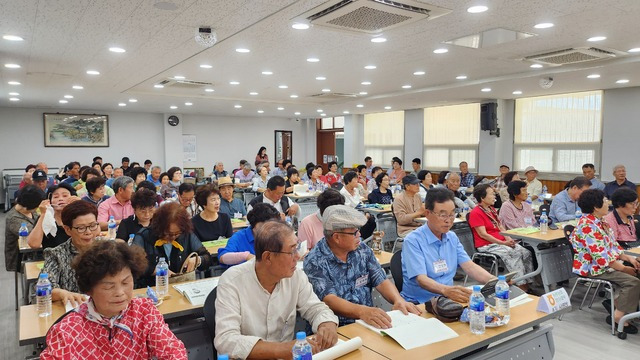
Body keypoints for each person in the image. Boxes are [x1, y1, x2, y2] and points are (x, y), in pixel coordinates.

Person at [41, 241, 187, 359]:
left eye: (125, 283)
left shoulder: (144, 311)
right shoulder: (68, 330)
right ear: (89, 289)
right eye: (108, 287)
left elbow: (173, 351)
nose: (120, 293)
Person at [215, 221, 338, 358]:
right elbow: (226, 339)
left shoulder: (295, 276)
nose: (297, 256)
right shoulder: (232, 281)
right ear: (268, 257)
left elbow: (315, 308)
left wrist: (326, 323)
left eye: (297, 248)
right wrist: (281, 349)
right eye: (291, 251)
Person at [304, 205, 421, 328]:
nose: (359, 234)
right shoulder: (315, 260)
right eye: (354, 233)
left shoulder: (362, 250)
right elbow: (329, 299)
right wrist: (362, 312)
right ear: (337, 237)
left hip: (367, 322)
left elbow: (380, 280)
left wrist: (398, 300)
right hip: (335, 327)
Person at [401, 188, 495, 303]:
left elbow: (469, 267)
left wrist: (493, 280)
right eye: (442, 215)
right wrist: (446, 290)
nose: (448, 220)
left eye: (451, 214)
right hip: (420, 302)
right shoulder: (413, 241)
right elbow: (421, 279)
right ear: (427, 214)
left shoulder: (452, 237)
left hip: (447, 299)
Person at [569, 189, 640, 334]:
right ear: (596, 206)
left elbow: (613, 246)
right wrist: (624, 268)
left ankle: (623, 307)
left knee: (637, 271)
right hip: (593, 269)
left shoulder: (600, 222)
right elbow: (601, 258)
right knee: (633, 281)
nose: (608, 203)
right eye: (605, 200)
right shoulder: (588, 226)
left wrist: (629, 258)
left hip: (604, 264)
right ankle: (618, 316)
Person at [469, 184, 534, 290]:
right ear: (482, 197)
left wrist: (508, 238)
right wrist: (503, 243)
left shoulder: (491, 209)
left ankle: (528, 281)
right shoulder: (475, 212)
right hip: (487, 244)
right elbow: (483, 234)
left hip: (501, 241)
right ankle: (521, 285)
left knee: (526, 252)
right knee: (514, 253)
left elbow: (500, 226)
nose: (494, 196)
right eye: (491, 194)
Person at [132, 202, 211, 287]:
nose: (173, 237)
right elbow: (133, 263)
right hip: (151, 288)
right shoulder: (144, 236)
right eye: (168, 234)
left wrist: (198, 260)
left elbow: (207, 257)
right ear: (159, 228)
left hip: (181, 286)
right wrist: (154, 270)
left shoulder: (186, 235)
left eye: (177, 234)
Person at [43, 200, 100, 307]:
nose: (88, 232)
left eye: (93, 225)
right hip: (74, 310)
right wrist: (61, 293)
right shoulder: (56, 254)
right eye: (81, 228)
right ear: (68, 230)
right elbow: (45, 286)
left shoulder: (107, 248)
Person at [27, 183, 79, 249]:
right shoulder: (46, 219)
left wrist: (81, 206)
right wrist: (43, 214)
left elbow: (95, 236)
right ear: (49, 201)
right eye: (56, 197)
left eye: (65, 196)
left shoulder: (79, 216)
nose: (60, 199)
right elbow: (34, 244)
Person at [4, 185, 42, 272]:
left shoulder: (30, 211)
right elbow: (33, 234)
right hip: (21, 257)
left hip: (34, 252)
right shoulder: (14, 219)